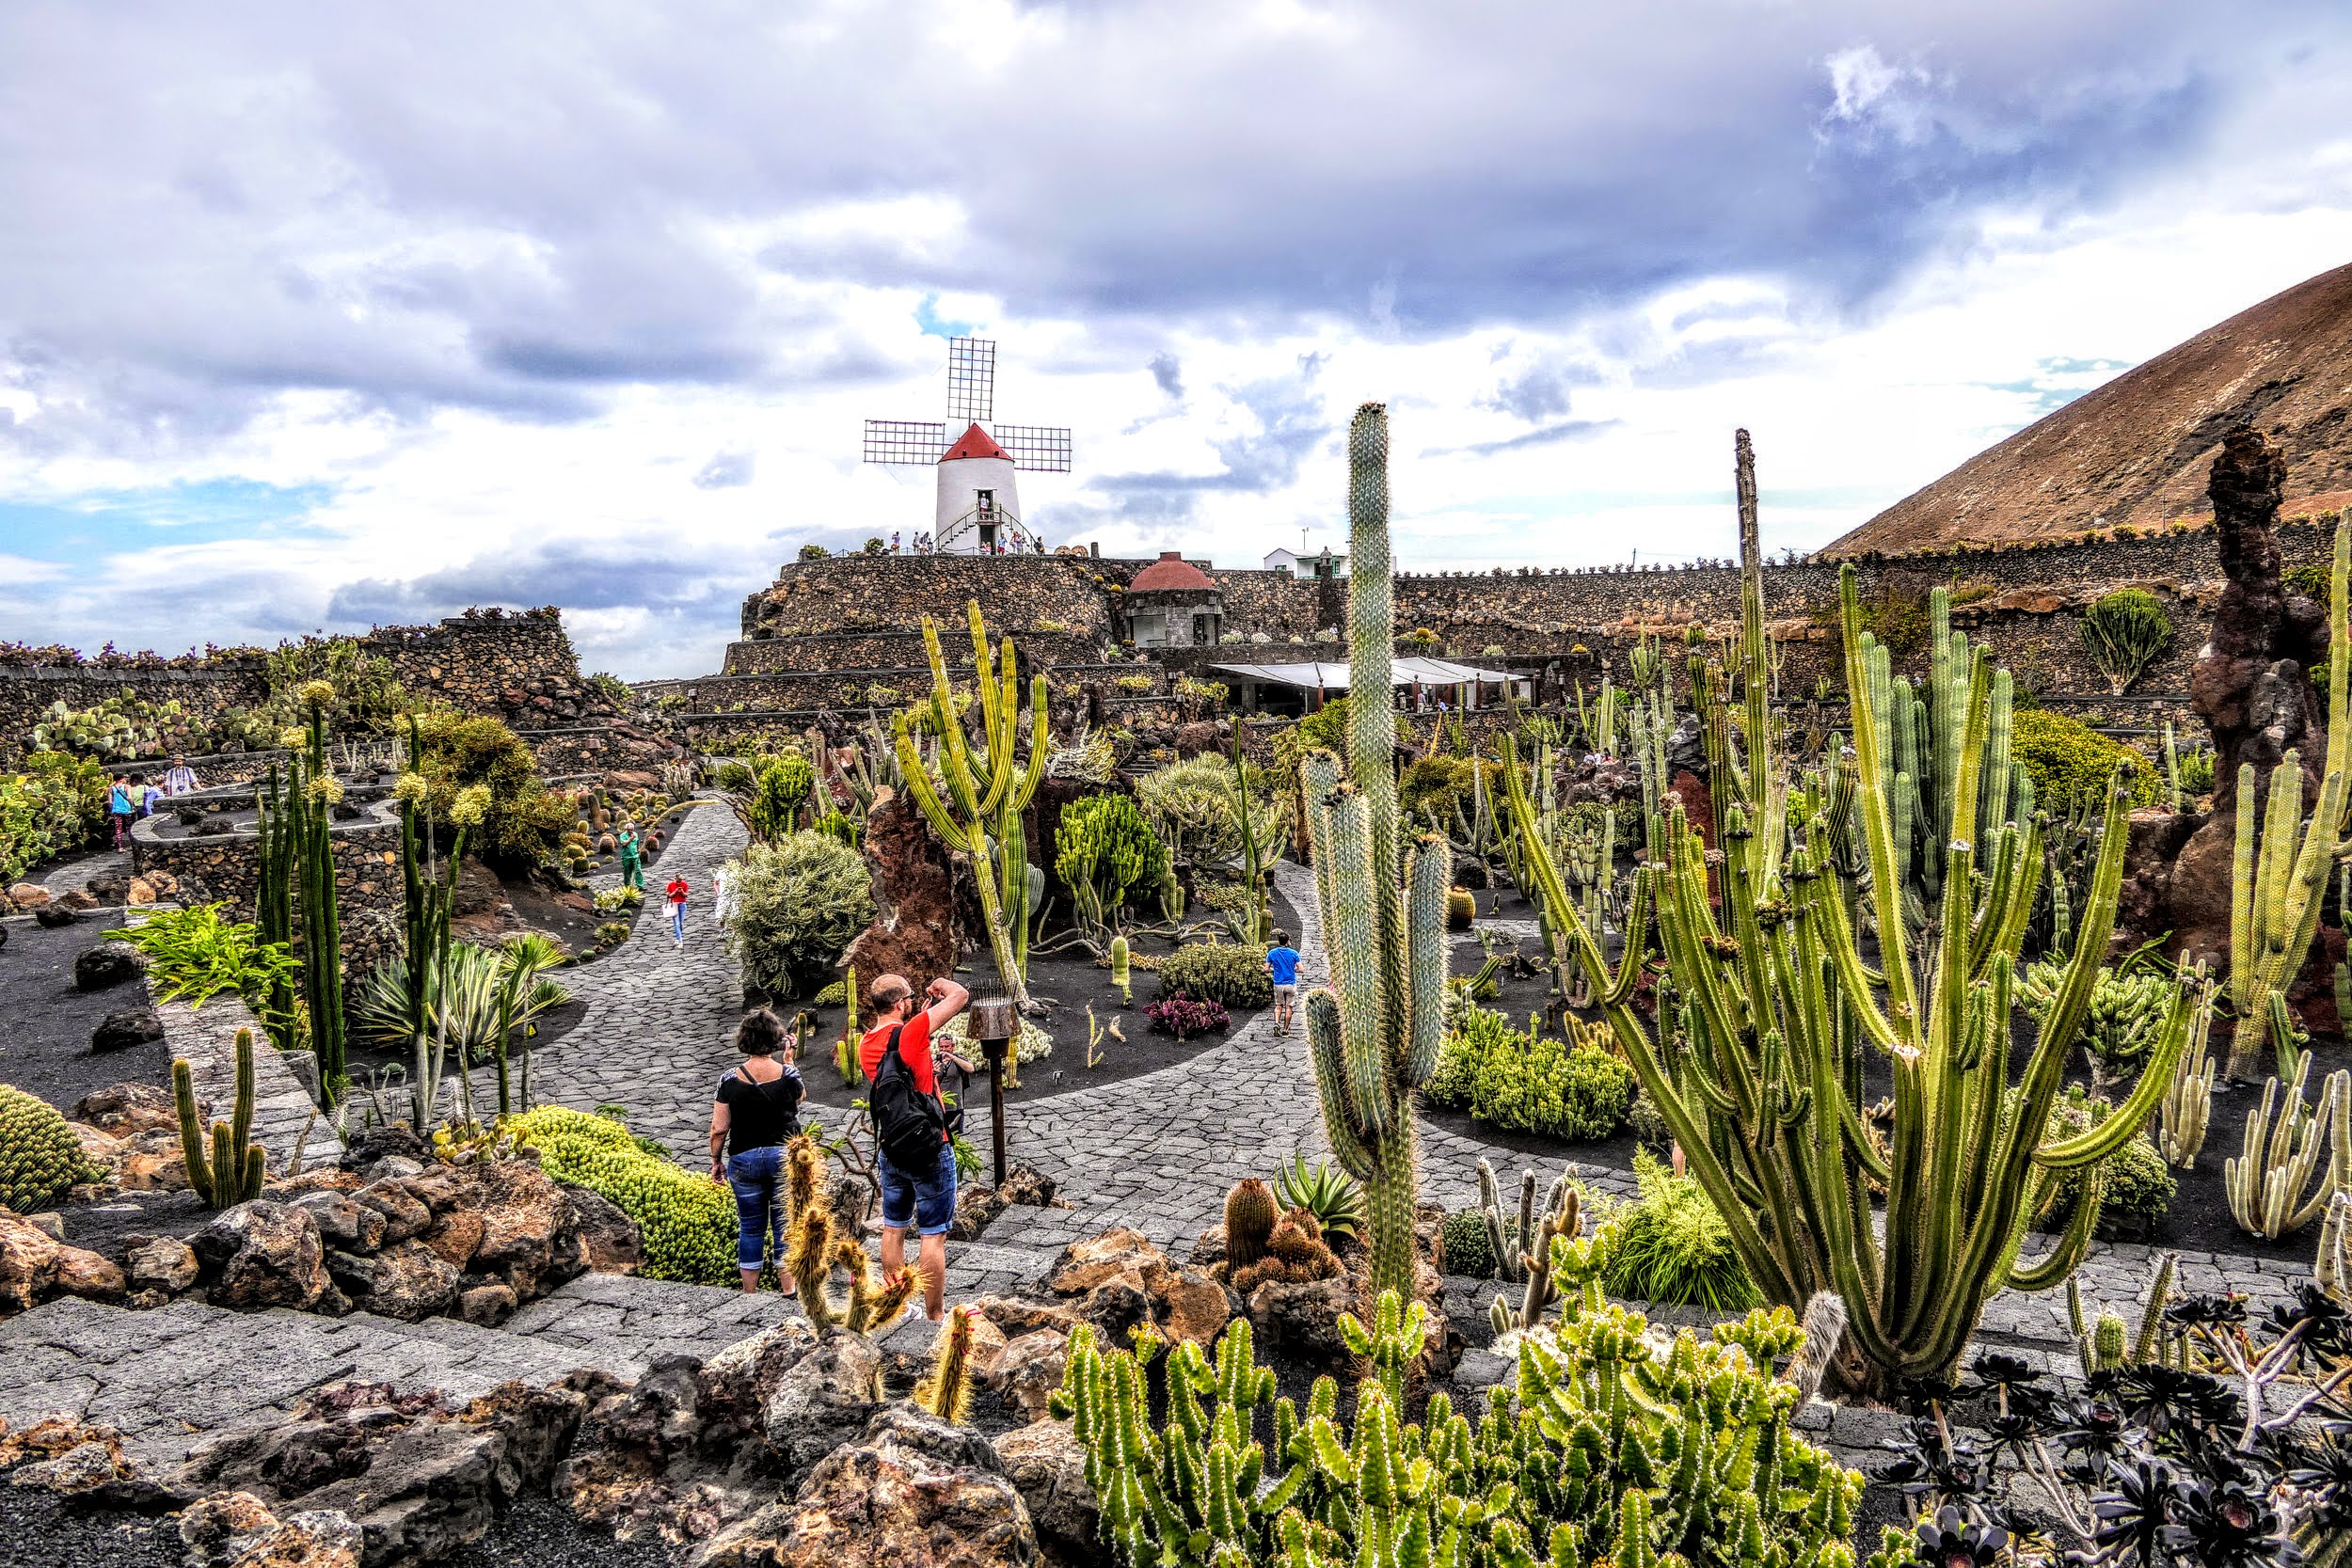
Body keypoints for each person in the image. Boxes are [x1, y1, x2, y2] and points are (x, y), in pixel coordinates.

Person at [858, 972, 974, 1322]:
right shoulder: (912, 1032)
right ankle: (935, 1314)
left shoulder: (865, 1044)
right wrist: (941, 984)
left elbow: (905, 1056)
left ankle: (898, 1305)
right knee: (932, 1235)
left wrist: (922, 1019)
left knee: (893, 1227)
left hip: (892, 1147)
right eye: (907, 997)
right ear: (900, 1004)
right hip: (929, 1145)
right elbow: (961, 995)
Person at [707, 1009, 807, 1293]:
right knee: (783, 1223)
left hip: (744, 1156)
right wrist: (789, 1062)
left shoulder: (729, 1080)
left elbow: (718, 1128)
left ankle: (749, 1292)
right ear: (775, 1038)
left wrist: (716, 1160)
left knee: (750, 1226)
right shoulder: (787, 1075)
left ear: (745, 1039)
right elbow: (800, 1098)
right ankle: (788, 1288)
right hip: (783, 1155)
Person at [1264, 928, 1303, 1034]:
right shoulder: (1293, 953)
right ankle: (1286, 1029)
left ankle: (1277, 1023)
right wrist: (1293, 969)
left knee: (1278, 1006)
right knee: (1289, 1007)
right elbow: (1301, 969)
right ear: (1287, 941)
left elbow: (1266, 969)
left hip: (1278, 984)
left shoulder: (1272, 953)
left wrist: (1274, 970)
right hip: (1290, 983)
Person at [107, 774, 134, 849]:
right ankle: (132, 845)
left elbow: (110, 802)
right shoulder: (126, 787)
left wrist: (111, 810)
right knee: (129, 827)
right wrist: (131, 806)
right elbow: (129, 798)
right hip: (126, 809)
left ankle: (120, 847)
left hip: (116, 810)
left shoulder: (111, 788)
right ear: (122, 779)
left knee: (118, 828)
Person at [664, 873, 691, 945]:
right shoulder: (671, 885)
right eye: (678, 881)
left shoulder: (684, 884)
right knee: (677, 924)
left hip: (682, 904)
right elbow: (669, 895)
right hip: (674, 904)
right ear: (675, 879)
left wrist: (681, 891)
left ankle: (677, 937)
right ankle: (680, 940)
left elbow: (686, 895)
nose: (679, 882)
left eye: (681, 881)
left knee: (681, 923)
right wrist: (675, 891)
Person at [618, 827, 644, 892]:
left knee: (638, 870)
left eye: (631, 830)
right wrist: (631, 839)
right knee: (627, 872)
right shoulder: (623, 835)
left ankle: (640, 886)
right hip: (626, 857)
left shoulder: (636, 834)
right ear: (626, 829)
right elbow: (624, 844)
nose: (630, 831)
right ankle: (627, 886)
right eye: (629, 830)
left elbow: (637, 842)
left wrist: (638, 849)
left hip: (635, 856)